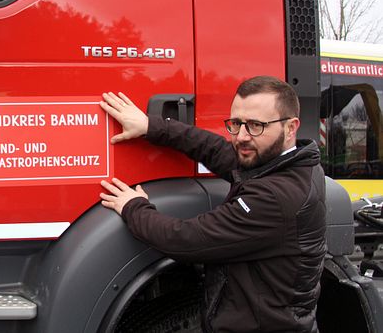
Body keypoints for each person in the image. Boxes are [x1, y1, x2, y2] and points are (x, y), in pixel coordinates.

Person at [99, 76, 326, 333]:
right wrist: (150, 126)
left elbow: (186, 239)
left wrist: (133, 206)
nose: (241, 137)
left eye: (255, 125)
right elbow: (215, 149)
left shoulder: (275, 197)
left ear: (290, 127)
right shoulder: (287, 163)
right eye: (236, 123)